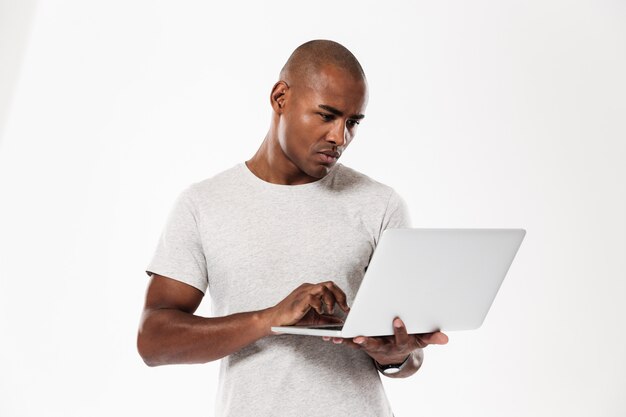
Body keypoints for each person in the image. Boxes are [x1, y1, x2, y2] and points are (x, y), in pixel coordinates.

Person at [138, 39, 448, 417]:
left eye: (352, 123)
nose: (340, 137)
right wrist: (270, 319)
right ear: (280, 97)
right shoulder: (203, 204)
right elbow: (153, 340)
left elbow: (410, 356)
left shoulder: (380, 204)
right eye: (326, 115)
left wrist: (396, 356)